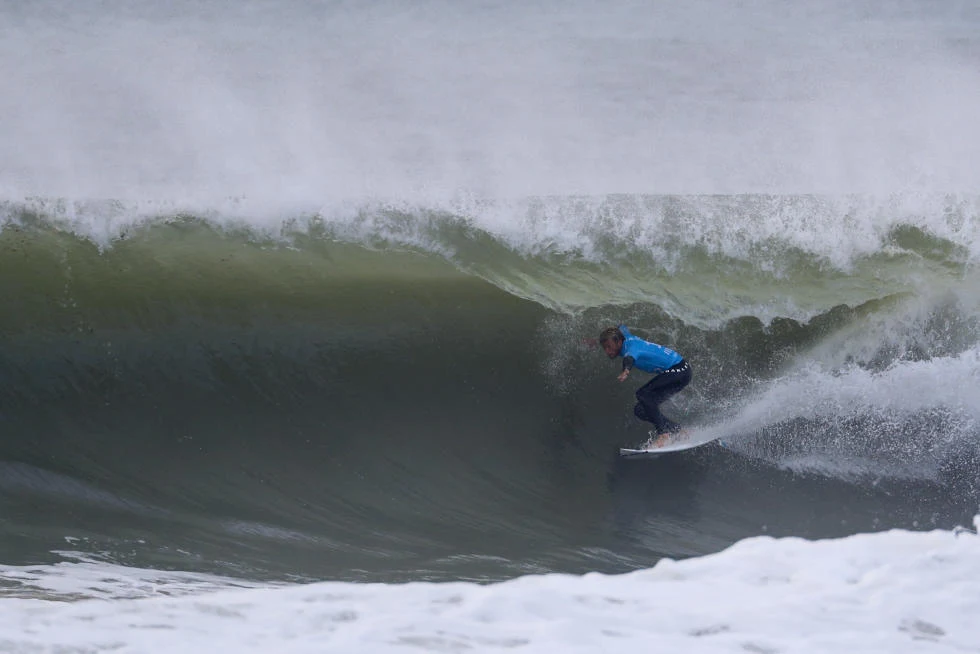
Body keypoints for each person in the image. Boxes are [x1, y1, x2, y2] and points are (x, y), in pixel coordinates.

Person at [599, 325, 692, 447]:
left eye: (609, 347)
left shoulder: (631, 348)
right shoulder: (626, 337)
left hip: (680, 369)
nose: (607, 351)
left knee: (643, 394)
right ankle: (679, 430)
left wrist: (626, 370)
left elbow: (629, 358)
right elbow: (622, 328)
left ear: (619, 341)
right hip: (677, 374)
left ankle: (663, 434)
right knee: (640, 410)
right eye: (605, 347)